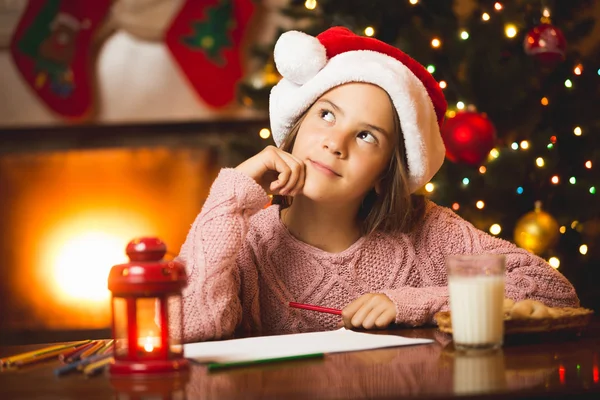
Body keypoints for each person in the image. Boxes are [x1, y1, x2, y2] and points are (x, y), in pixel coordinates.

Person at [175, 27, 579, 343]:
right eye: (327, 115)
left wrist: (412, 302)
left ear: (386, 176)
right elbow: (185, 328)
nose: (336, 143)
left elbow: (553, 292)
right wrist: (234, 191)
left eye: (366, 136)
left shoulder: (429, 234)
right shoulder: (245, 244)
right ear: (295, 127)